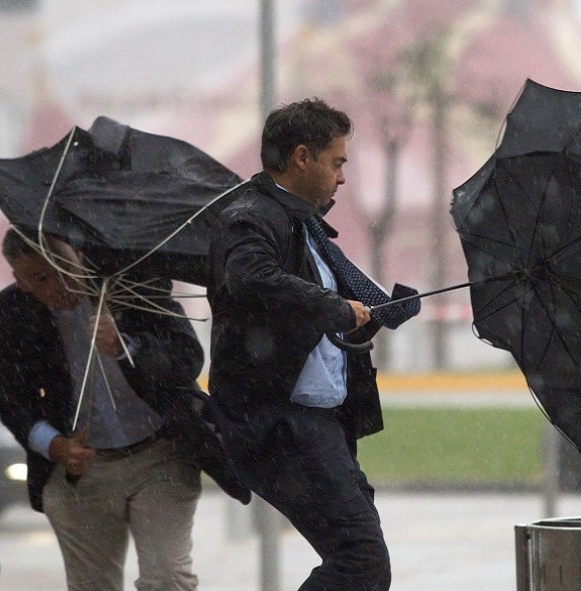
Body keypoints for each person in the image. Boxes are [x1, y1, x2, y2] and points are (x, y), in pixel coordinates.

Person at [207, 98, 391, 591]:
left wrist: (361, 321)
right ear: (302, 157)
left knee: (360, 559)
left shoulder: (301, 223)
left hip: (316, 425)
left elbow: (301, 317)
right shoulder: (251, 215)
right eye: (338, 162)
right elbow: (251, 280)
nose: (343, 177)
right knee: (361, 561)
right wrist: (334, 308)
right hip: (281, 424)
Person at [0, 229, 205, 591]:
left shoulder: (131, 282)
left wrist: (126, 348)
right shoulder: (14, 309)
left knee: (168, 579)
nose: (60, 284)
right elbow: (12, 397)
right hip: (80, 472)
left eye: (64, 267)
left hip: (159, 456)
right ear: (20, 281)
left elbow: (187, 358)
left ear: (77, 252)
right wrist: (53, 444)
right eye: (42, 278)